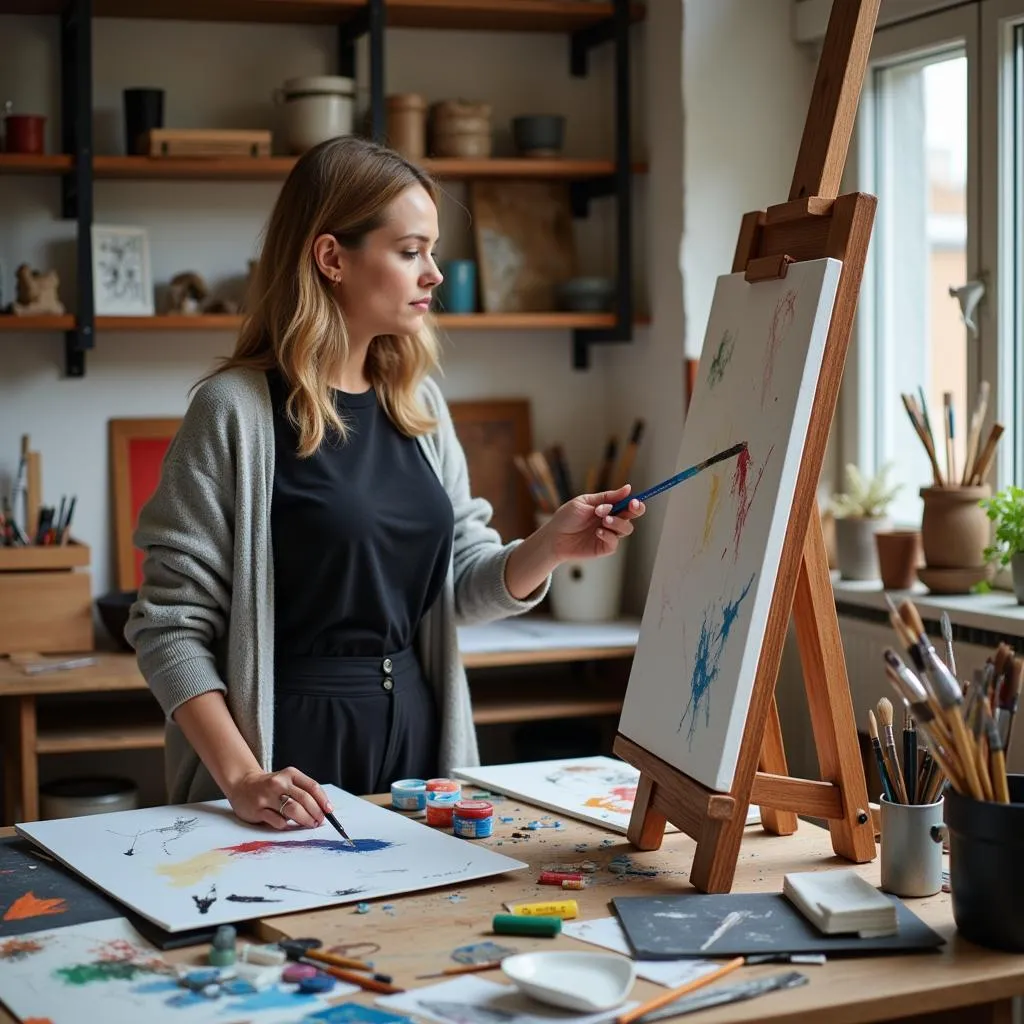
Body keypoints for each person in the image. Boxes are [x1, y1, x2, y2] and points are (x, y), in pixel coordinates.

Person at [125, 135, 645, 833]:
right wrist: (244, 776)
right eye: (410, 251)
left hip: (418, 745)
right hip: (286, 759)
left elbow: (458, 586)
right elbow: (167, 629)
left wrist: (549, 546)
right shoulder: (234, 413)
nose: (433, 272)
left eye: (432, 250)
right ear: (332, 257)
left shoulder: (419, 406)